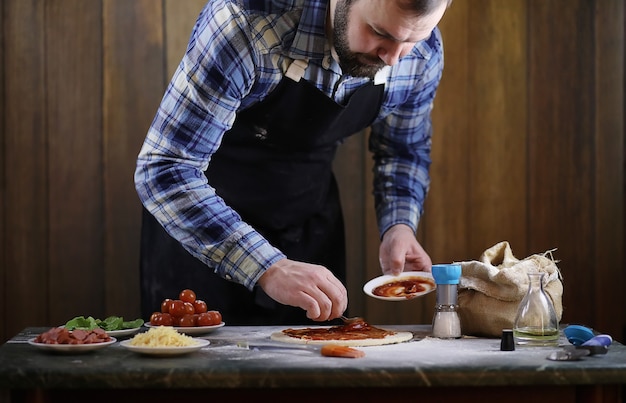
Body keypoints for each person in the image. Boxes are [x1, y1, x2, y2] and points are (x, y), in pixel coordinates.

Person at [135, 0, 451, 325]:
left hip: (309, 231)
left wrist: (399, 226)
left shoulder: (422, 55)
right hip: (200, 233)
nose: (393, 57)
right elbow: (166, 167)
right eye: (379, 32)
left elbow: (402, 150)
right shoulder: (247, 22)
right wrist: (267, 266)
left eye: (411, 41)